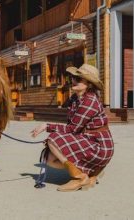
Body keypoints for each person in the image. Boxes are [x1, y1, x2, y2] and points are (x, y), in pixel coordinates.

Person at [31, 63, 114, 192]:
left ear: (89, 84)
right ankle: (91, 172)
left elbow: (72, 129)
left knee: (52, 139)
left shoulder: (90, 101)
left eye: (78, 79)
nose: (73, 80)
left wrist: (46, 126)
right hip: (86, 138)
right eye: (73, 77)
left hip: (99, 145)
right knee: (48, 157)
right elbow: (73, 127)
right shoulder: (76, 98)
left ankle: (80, 177)